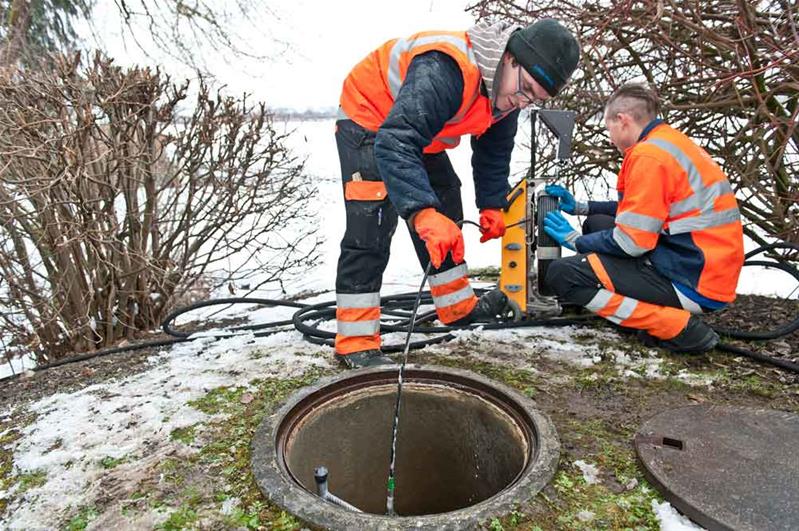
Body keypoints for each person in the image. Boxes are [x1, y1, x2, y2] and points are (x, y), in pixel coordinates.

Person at [333, 19, 580, 368]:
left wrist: (492, 203)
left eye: (534, 99)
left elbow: (494, 151)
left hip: (417, 130)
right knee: (371, 225)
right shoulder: (444, 68)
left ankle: (456, 307)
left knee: (446, 198)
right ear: (509, 57)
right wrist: (421, 212)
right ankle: (355, 342)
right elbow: (396, 140)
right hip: (370, 118)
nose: (523, 102)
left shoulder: (506, 95)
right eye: (525, 89)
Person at [543, 82, 744, 353]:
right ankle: (608, 302)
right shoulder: (669, 143)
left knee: (562, 274)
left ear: (622, 121)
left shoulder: (649, 156)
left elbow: (631, 243)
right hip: (701, 264)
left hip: (692, 280)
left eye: (608, 127)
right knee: (597, 225)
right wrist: (582, 207)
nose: (610, 135)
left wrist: (575, 241)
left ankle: (675, 326)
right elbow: (645, 210)